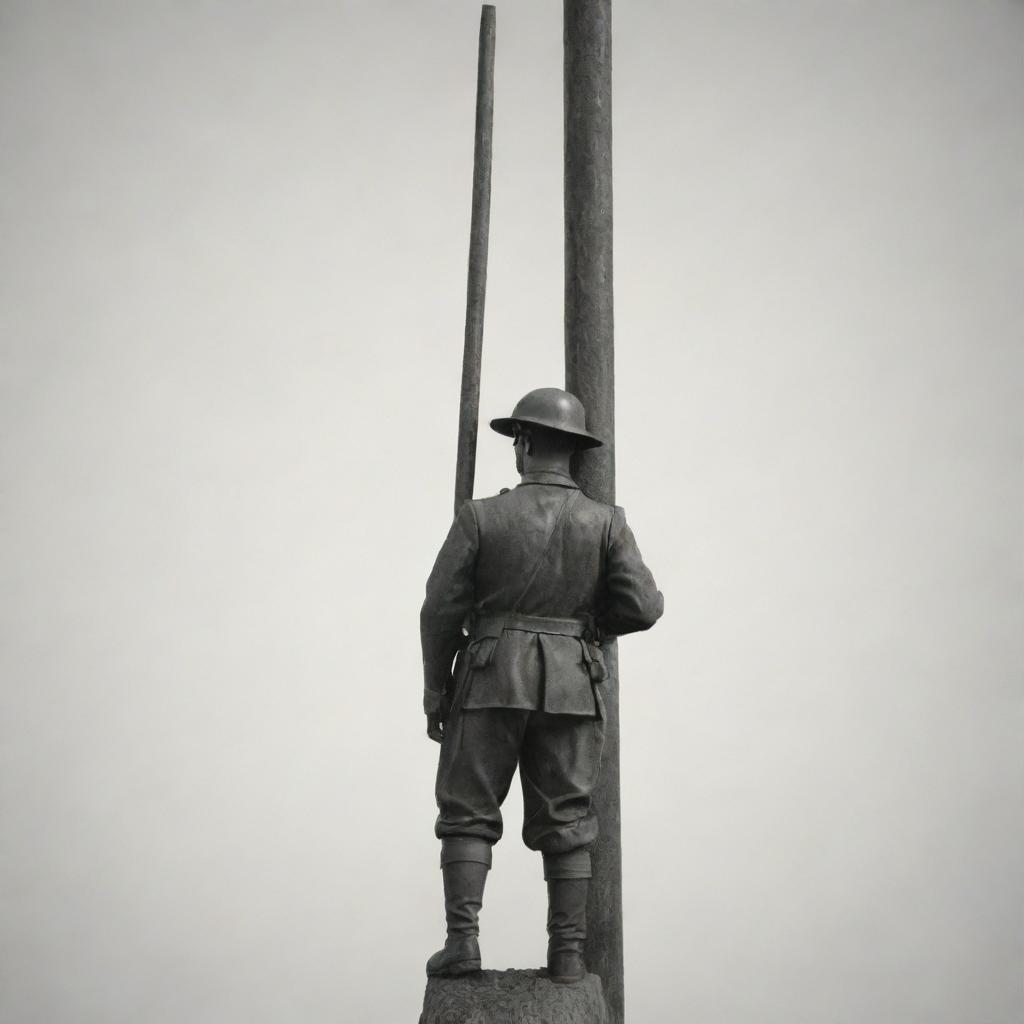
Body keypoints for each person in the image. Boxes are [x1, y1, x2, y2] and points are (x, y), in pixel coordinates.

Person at [420, 387, 663, 983]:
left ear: (525, 443)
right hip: (573, 683)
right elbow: (644, 606)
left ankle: (463, 944)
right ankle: (569, 955)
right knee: (568, 818)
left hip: (487, 677)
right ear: (574, 451)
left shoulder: (481, 516)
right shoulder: (606, 522)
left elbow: (439, 611)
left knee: (469, 812)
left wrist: (435, 688)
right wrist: (585, 633)